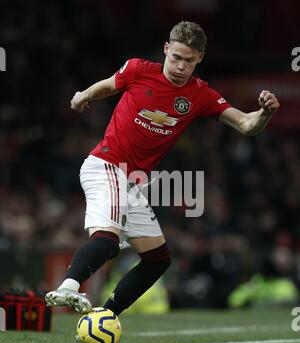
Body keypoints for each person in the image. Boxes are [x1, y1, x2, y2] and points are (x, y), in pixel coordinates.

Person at [45, 21, 280, 315]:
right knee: (107, 240)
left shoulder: (200, 95)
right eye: (176, 58)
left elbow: (246, 124)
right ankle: (67, 287)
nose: (181, 66)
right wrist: (83, 96)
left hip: (132, 182)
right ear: (166, 50)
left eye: (189, 61)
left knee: (158, 259)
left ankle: (104, 316)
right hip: (106, 165)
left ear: (200, 59)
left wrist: (265, 113)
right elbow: (108, 86)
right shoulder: (138, 70)